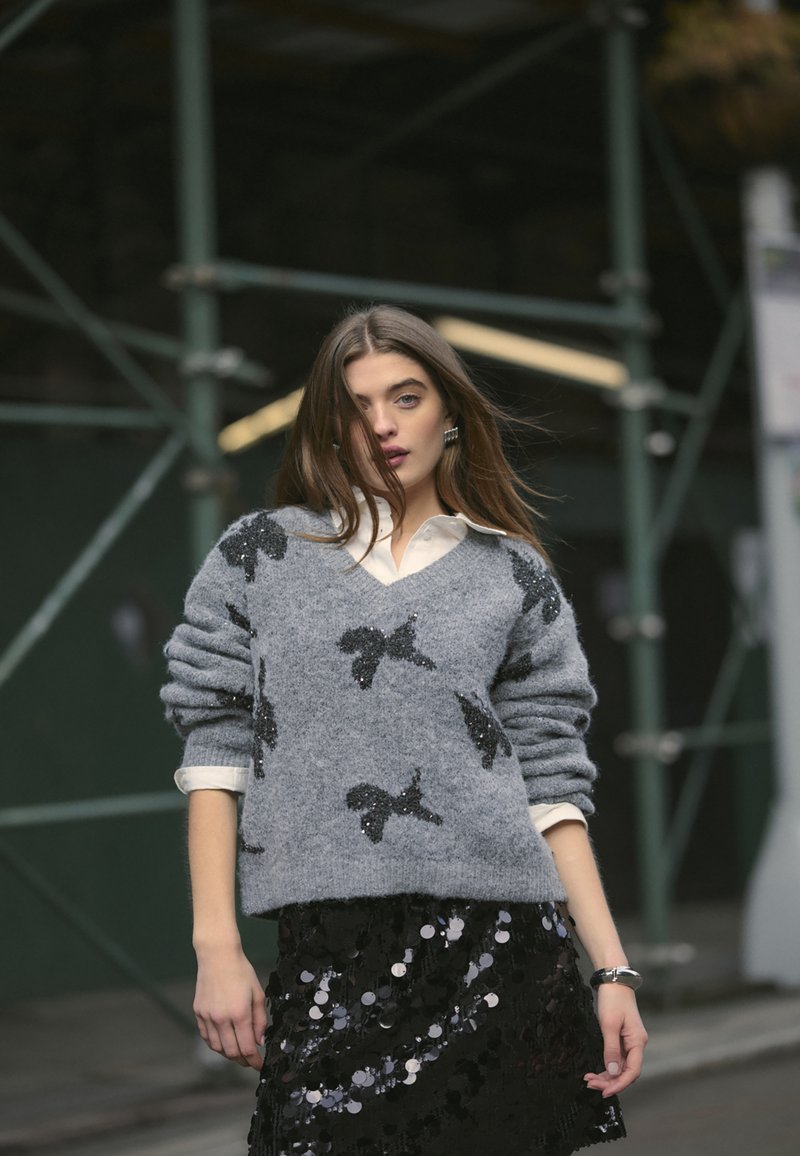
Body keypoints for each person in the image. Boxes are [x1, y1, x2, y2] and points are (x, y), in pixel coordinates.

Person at [160, 304, 648, 1156]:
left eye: (407, 397)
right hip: (329, 952)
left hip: (502, 952)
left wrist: (611, 970)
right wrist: (216, 946)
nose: (382, 424)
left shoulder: (513, 574)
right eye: (356, 406)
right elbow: (215, 747)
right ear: (329, 426)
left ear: (449, 412)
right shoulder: (258, 556)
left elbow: (551, 783)